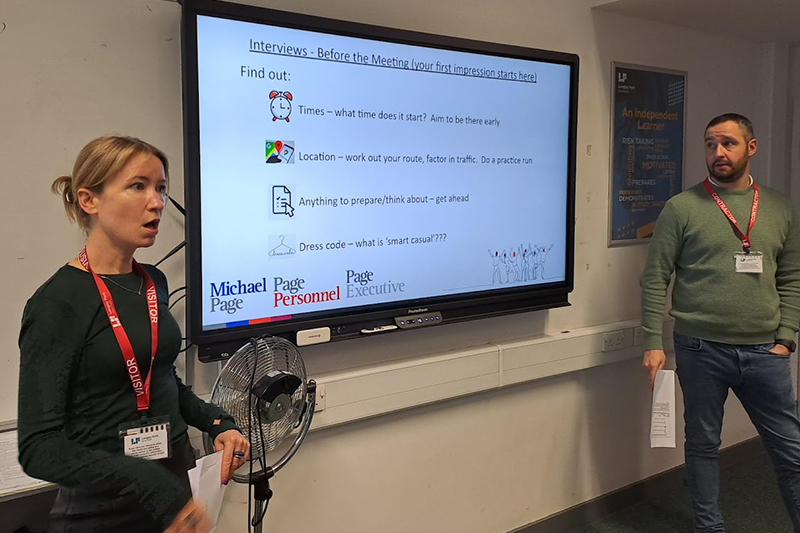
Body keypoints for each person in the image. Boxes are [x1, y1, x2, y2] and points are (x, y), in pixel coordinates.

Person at [17, 136, 251, 533]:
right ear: (89, 200)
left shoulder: (152, 282)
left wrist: (217, 423)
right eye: (138, 186)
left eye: (160, 188)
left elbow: (163, 382)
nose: (157, 202)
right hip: (106, 512)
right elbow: (39, 447)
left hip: (176, 496)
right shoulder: (59, 302)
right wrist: (150, 486)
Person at [641, 113, 800, 533]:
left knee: (791, 451)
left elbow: (792, 276)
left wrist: (786, 338)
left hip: (765, 351)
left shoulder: (781, 207)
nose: (718, 153)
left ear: (751, 147)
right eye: (710, 144)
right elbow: (656, 276)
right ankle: (709, 529)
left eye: (728, 143)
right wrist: (652, 340)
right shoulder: (681, 207)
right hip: (700, 349)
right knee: (703, 445)